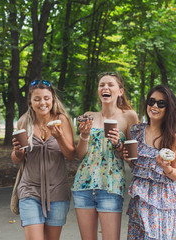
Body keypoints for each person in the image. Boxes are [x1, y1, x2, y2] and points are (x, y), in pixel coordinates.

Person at [72, 72, 138, 240]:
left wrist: (118, 144)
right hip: (83, 186)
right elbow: (80, 155)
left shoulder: (129, 116)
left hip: (111, 187)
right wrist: (84, 136)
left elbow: (133, 160)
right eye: (102, 85)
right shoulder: (89, 115)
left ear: (120, 91)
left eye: (110, 84)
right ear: (98, 92)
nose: (105, 88)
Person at [11, 79, 75, 240]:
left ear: (53, 99)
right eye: (37, 99)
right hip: (30, 190)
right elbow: (16, 159)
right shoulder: (24, 122)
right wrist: (17, 152)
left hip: (57, 192)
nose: (42, 103)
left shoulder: (62, 120)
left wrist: (59, 137)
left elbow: (70, 155)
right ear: (30, 102)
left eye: (46, 98)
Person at [123, 85, 176, 240]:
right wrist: (128, 158)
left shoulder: (172, 137)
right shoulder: (135, 131)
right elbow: (134, 165)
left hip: (163, 199)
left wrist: (166, 168)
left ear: (168, 108)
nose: (155, 106)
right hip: (140, 196)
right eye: (152, 101)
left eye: (161, 103)